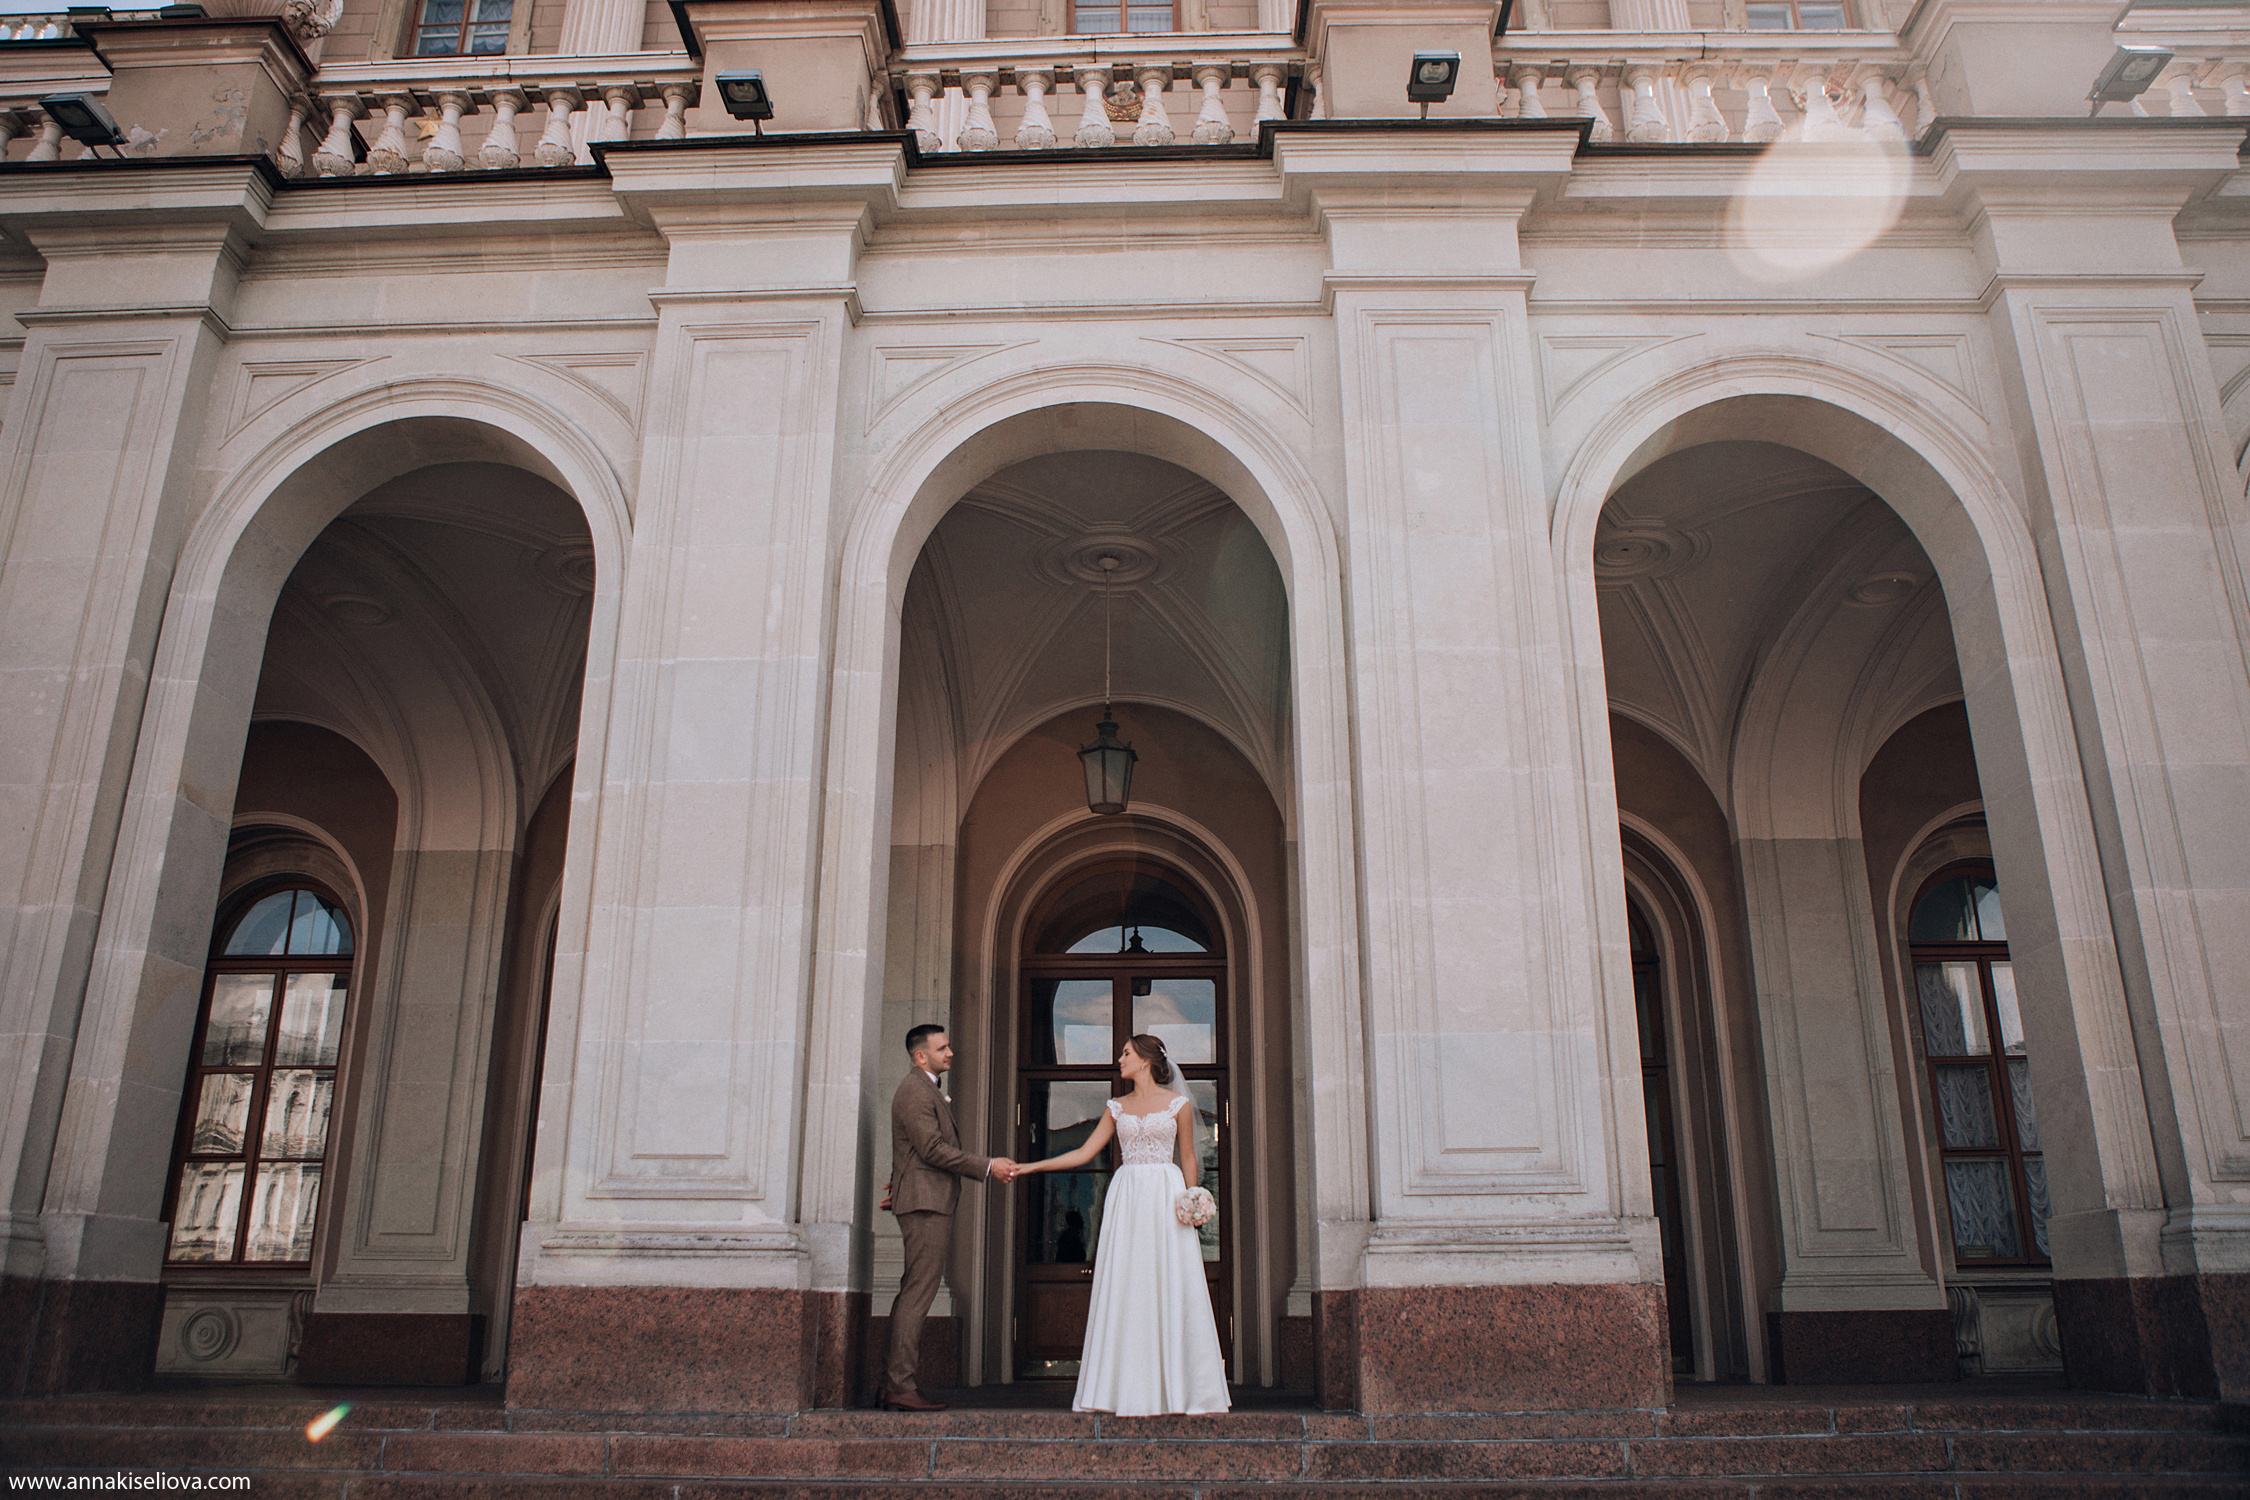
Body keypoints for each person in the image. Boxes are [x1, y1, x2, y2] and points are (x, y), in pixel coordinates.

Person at [1013, 1033, 1229, 1416]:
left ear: (1145, 1060)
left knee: (1168, 1281)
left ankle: (1181, 1389)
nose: (1120, 1058)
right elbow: (1083, 1152)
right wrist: (1031, 1166)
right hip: (1127, 1197)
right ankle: (1122, 1390)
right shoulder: (1116, 1107)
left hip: (1166, 1195)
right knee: (1128, 1284)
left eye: (1126, 1053)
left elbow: (1188, 1158)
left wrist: (1192, 1199)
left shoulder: (1177, 1104)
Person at [882, 1024, 1016, 1412]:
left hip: (923, 1199)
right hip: (925, 1204)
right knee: (918, 1293)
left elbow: (911, 1150)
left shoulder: (925, 1089)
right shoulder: (915, 1090)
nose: (950, 1052)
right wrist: (988, 1166)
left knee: (913, 1290)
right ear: (920, 1056)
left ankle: (892, 1384)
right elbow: (932, 1149)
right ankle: (899, 1385)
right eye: (942, 1048)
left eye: (949, 1046)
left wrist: (899, 1182)